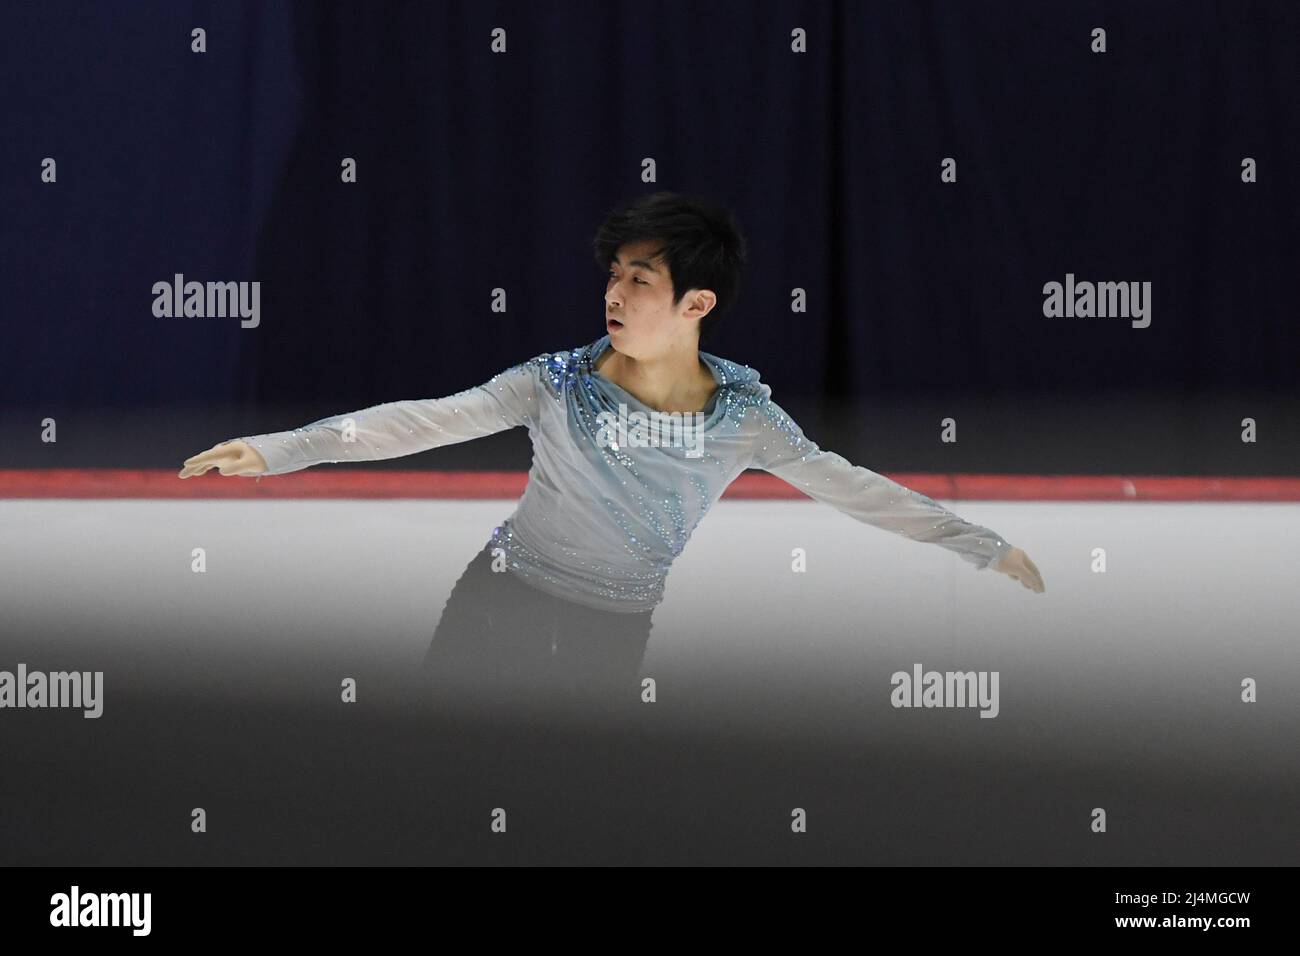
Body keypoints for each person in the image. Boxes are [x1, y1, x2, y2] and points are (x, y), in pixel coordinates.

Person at [179, 191, 1044, 709]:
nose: (615, 294)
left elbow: (856, 490)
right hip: (499, 597)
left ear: (697, 303)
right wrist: (278, 449)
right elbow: (424, 420)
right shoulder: (554, 381)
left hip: (614, 629)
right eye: (614, 274)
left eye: (641, 279)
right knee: (439, 779)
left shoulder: (744, 419)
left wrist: (983, 545)